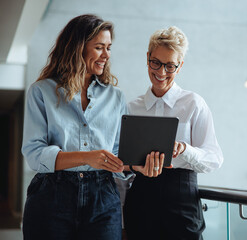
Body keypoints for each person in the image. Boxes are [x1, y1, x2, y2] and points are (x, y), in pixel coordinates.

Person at [21, 14, 164, 240]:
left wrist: (136, 167)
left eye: (108, 47)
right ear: (77, 48)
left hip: (103, 198)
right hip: (51, 196)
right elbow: (34, 154)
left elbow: (118, 154)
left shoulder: (115, 97)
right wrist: (87, 157)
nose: (106, 55)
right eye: (99, 47)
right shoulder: (41, 92)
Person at [123, 26, 224, 240]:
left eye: (170, 66)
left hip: (182, 196)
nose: (161, 72)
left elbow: (214, 159)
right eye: (156, 63)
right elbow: (119, 160)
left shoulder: (194, 103)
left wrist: (185, 150)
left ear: (180, 67)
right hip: (140, 197)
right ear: (148, 58)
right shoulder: (131, 108)